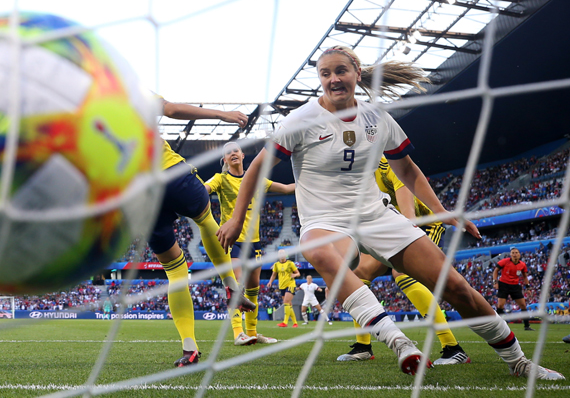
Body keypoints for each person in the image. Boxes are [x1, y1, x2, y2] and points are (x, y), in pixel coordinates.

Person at [218, 45, 564, 379]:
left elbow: (408, 171)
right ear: (319, 80)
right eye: (325, 74)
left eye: (341, 71)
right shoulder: (301, 119)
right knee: (318, 251)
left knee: (456, 287)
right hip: (324, 220)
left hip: (376, 216)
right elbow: (256, 170)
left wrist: (441, 212)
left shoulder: (376, 118)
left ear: (357, 73)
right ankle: (398, 341)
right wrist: (235, 218)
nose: (333, 79)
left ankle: (518, 362)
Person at [337, 157, 471, 365]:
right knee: (359, 273)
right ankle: (363, 347)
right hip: (388, 227)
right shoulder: (352, 172)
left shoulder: (382, 163)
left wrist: (408, 227)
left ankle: (452, 348)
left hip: (423, 222)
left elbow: (404, 189)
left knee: (402, 273)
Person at [153, 97, 255, 368]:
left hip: (140, 195)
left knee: (175, 272)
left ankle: (190, 349)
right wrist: (222, 115)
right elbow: (172, 110)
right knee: (205, 218)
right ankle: (231, 286)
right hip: (172, 174)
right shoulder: (125, 85)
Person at [204, 141, 295, 345]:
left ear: (243, 155)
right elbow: (205, 188)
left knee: (254, 288)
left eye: (236, 150)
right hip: (232, 241)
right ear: (225, 159)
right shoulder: (221, 178)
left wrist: (314, 182)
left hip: (254, 242)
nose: (233, 154)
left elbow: (288, 189)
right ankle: (238, 333)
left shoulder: (256, 180)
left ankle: (252, 333)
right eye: (228, 152)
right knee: (237, 287)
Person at [493, 248, 533, 331]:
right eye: (513, 253)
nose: (515, 254)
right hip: (503, 284)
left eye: (516, 252)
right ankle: (500, 323)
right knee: (500, 306)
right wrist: (495, 282)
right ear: (510, 254)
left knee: (523, 305)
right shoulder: (504, 261)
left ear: (519, 254)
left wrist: (528, 287)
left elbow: (525, 276)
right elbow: (495, 271)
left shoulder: (522, 264)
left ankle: (527, 326)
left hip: (515, 286)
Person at [267, 251, 301, 328]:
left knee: (286, 302)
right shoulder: (276, 264)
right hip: (282, 286)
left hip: (290, 284)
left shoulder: (290, 263)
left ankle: (285, 322)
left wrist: (294, 275)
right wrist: (270, 282)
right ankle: (295, 323)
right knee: (289, 304)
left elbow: (298, 273)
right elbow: (273, 275)